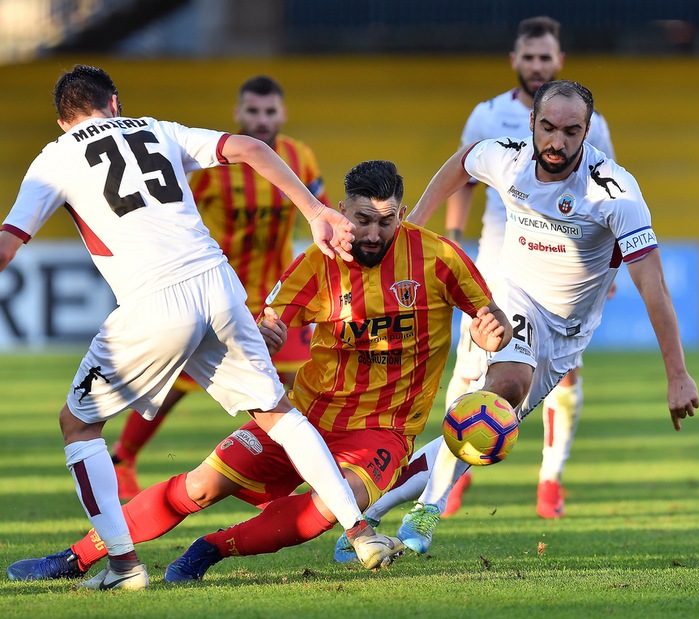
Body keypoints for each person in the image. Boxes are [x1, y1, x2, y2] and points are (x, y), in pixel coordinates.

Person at [6, 160, 511, 583]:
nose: (374, 234)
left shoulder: (438, 258)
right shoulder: (319, 263)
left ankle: (210, 549)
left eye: (387, 221)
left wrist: (494, 334)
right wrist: (268, 334)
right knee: (201, 487)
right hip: (307, 418)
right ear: (342, 211)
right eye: (363, 220)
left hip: (383, 429)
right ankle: (77, 557)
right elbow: (272, 320)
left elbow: (494, 319)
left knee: (334, 506)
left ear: (401, 213)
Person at [0, 65, 400, 590]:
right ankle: (360, 532)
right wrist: (314, 209)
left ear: (62, 121)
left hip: (154, 300)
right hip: (219, 285)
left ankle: (123, 567)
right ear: (114, 102)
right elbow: (251, 149)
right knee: (277, 411)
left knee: (78, 426)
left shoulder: (55, 158)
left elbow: (7, 246)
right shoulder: (157, 128)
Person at [353, 80, 699, 557]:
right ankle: (427, 511)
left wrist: (677, 374)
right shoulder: (509, 157)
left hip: (567, 333)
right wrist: (413, 229)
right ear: (532, 123)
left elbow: (653, 284)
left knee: (489, 426)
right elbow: (463, 160)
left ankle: (369, 515)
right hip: (513, 297)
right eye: (548, 128)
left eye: (571, 132)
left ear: (587, 132)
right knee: (505, 388)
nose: (557, 142)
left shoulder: (614, 191)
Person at [111, 75, 330, 501]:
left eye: (269, 111)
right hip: (220, 295)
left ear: (282, 113)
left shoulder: (300, 158)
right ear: (238, 113)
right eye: (253, 111)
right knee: (176, 385)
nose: (262, 119)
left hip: (278, 299)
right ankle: (124, 457)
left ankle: (278, 474)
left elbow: (316, 207)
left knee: (298, 383)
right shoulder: (213, 166)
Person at [441, 15, 617, 519]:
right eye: (530, 57)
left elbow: (607, 194)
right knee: (470, 369)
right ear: (514, 60)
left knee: (565, 374)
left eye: (546, 58)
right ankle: (454, 471)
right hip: (496, 262)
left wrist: (607, 273)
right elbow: (463, 178)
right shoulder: (486, 115)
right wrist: (454, 241)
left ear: (559, 61)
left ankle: (550, 479)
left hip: (562, 270)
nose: (538, 66)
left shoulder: (591, 122)